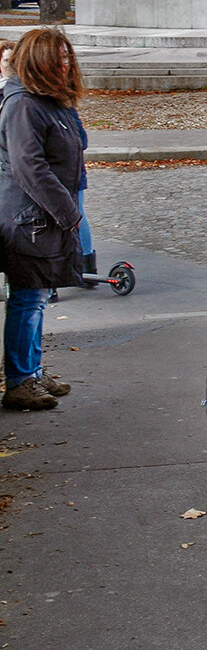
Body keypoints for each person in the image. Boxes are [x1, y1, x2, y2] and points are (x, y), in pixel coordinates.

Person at [0, 27, 84, 410]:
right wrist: (68, 213)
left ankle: (30, 371)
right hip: (29, 219)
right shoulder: (22, 104)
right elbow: (30, 168)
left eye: (68, 58)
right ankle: (20, 379)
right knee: (28, 298)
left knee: (36, 298)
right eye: (58, 59)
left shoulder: (47, 100)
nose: (66, 65)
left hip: (41, 217)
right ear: (38, 63)